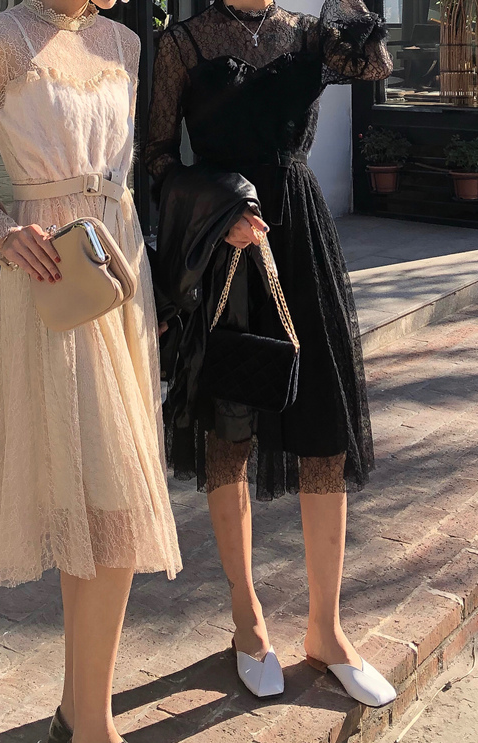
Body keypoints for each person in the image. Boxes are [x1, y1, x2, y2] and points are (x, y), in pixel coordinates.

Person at [0, 1, 182, 743]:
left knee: (111, 499)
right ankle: (94, 738)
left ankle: (78, 720)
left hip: (117, 268)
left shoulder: (125, 43)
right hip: (51, 277)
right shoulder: (3, 41)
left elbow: (126, 174)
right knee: (104, 492)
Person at [146, 0, 397, 706]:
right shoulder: (182, 43)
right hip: (227, 246)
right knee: (229, 433)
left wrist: (349, 15)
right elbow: (156, 159)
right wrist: (217, 210)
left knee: (324, 432)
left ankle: (327, 631)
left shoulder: (308, 33)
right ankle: (248, 620)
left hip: (301, 240)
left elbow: (374, 63)